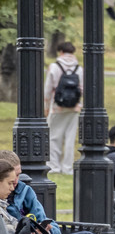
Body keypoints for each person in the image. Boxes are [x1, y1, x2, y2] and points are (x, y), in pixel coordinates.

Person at [45, 41, 83, 175]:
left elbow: (47, 90)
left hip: (57, 107)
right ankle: (67, 168)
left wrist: (46, 107)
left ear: (60, 51)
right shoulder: (79, 69)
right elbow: (82, 89)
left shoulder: (54, 67)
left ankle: (54, 166)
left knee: (54, 137)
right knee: (70, 137)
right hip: (74, 108)